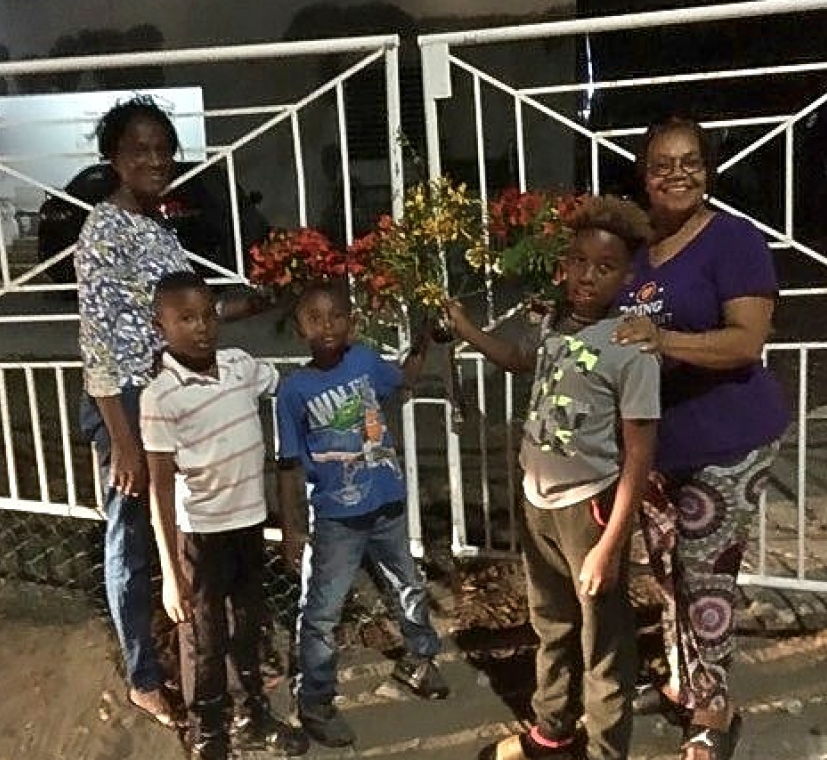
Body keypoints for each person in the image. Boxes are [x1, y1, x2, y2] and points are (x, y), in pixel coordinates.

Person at [75, 96, 267, 727]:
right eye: (140, 149)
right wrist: (122, 441)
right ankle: (143, 676)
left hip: (168, 396)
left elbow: (176, 318)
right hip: (127, 403)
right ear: (114, 158)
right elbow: (101, 343)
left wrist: (253, 301)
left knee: (182, 532)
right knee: (132, 538)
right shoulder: (104, 229)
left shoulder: (156, 226)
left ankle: (202, 653)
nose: (155, 160)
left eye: (163, 149)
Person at [447, 194, 660, 760]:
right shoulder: (555, 326)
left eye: (605, 266)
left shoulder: (630, 348)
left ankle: (606, 748)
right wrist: (466, 329)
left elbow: (639, 453)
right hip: (537, 501)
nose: (589, 275)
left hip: (588, 509)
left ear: (626, 274)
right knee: (550, 621)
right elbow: (519, 360)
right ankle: (552, 729)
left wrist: (609, 545)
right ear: (564, 263)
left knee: (604, 641)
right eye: (579, 262)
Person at [613, 116, 788, 760]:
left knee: (703, 572)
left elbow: (746, 341)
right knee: (667, 575)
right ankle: (685, 679)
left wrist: (664, 341)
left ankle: (715, 708)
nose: (676, 174)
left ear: (708, 170)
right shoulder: (634, 256)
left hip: (729, 438)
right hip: (658, 447)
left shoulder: (733, 241)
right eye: (662, 164)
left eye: (689, 162)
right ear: (644, 174)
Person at [140, 271, 307, 760]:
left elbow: (288, 387)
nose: (201, 327)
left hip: (249, 525)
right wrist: (172, 574)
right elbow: (160, 490)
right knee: (204, 637)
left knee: (247, 625)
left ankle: (252, 714)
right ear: (161, 324)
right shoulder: (161, 397)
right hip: (202, 536)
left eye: (207, 314)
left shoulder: (240, 366)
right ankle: (206, 731)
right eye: (185, 318)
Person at [275, 280, 448, 748]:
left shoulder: (366, 361)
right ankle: (315, 699)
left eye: (336, 316)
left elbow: (405, 379)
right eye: (315, 317)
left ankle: (420, 659)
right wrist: (292, 528)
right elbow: (288, 465)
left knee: (408, 584)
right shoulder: (294, 391)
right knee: (323, 612)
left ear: (351, 322)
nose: (326, 325)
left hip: (387, 505)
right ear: (299, 329)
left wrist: (425, 340)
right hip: (335, 520)